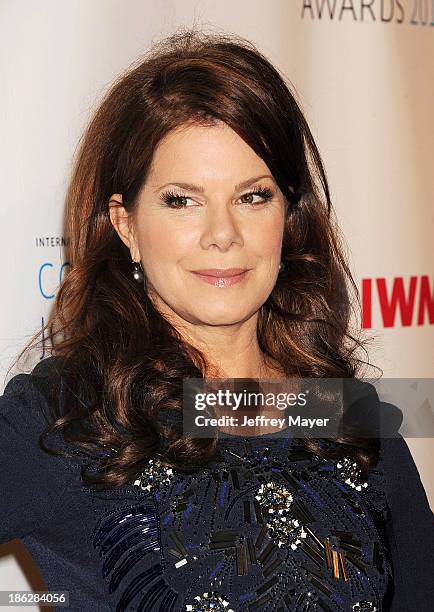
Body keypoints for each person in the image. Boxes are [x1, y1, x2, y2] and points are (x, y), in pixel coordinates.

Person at [1, 28, 433, 612]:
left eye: (252, 196)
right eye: (182, 200)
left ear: (290, 214)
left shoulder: (350, 412)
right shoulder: (55, 416)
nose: (223, 235)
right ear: (125, 225)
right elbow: (22, 594)